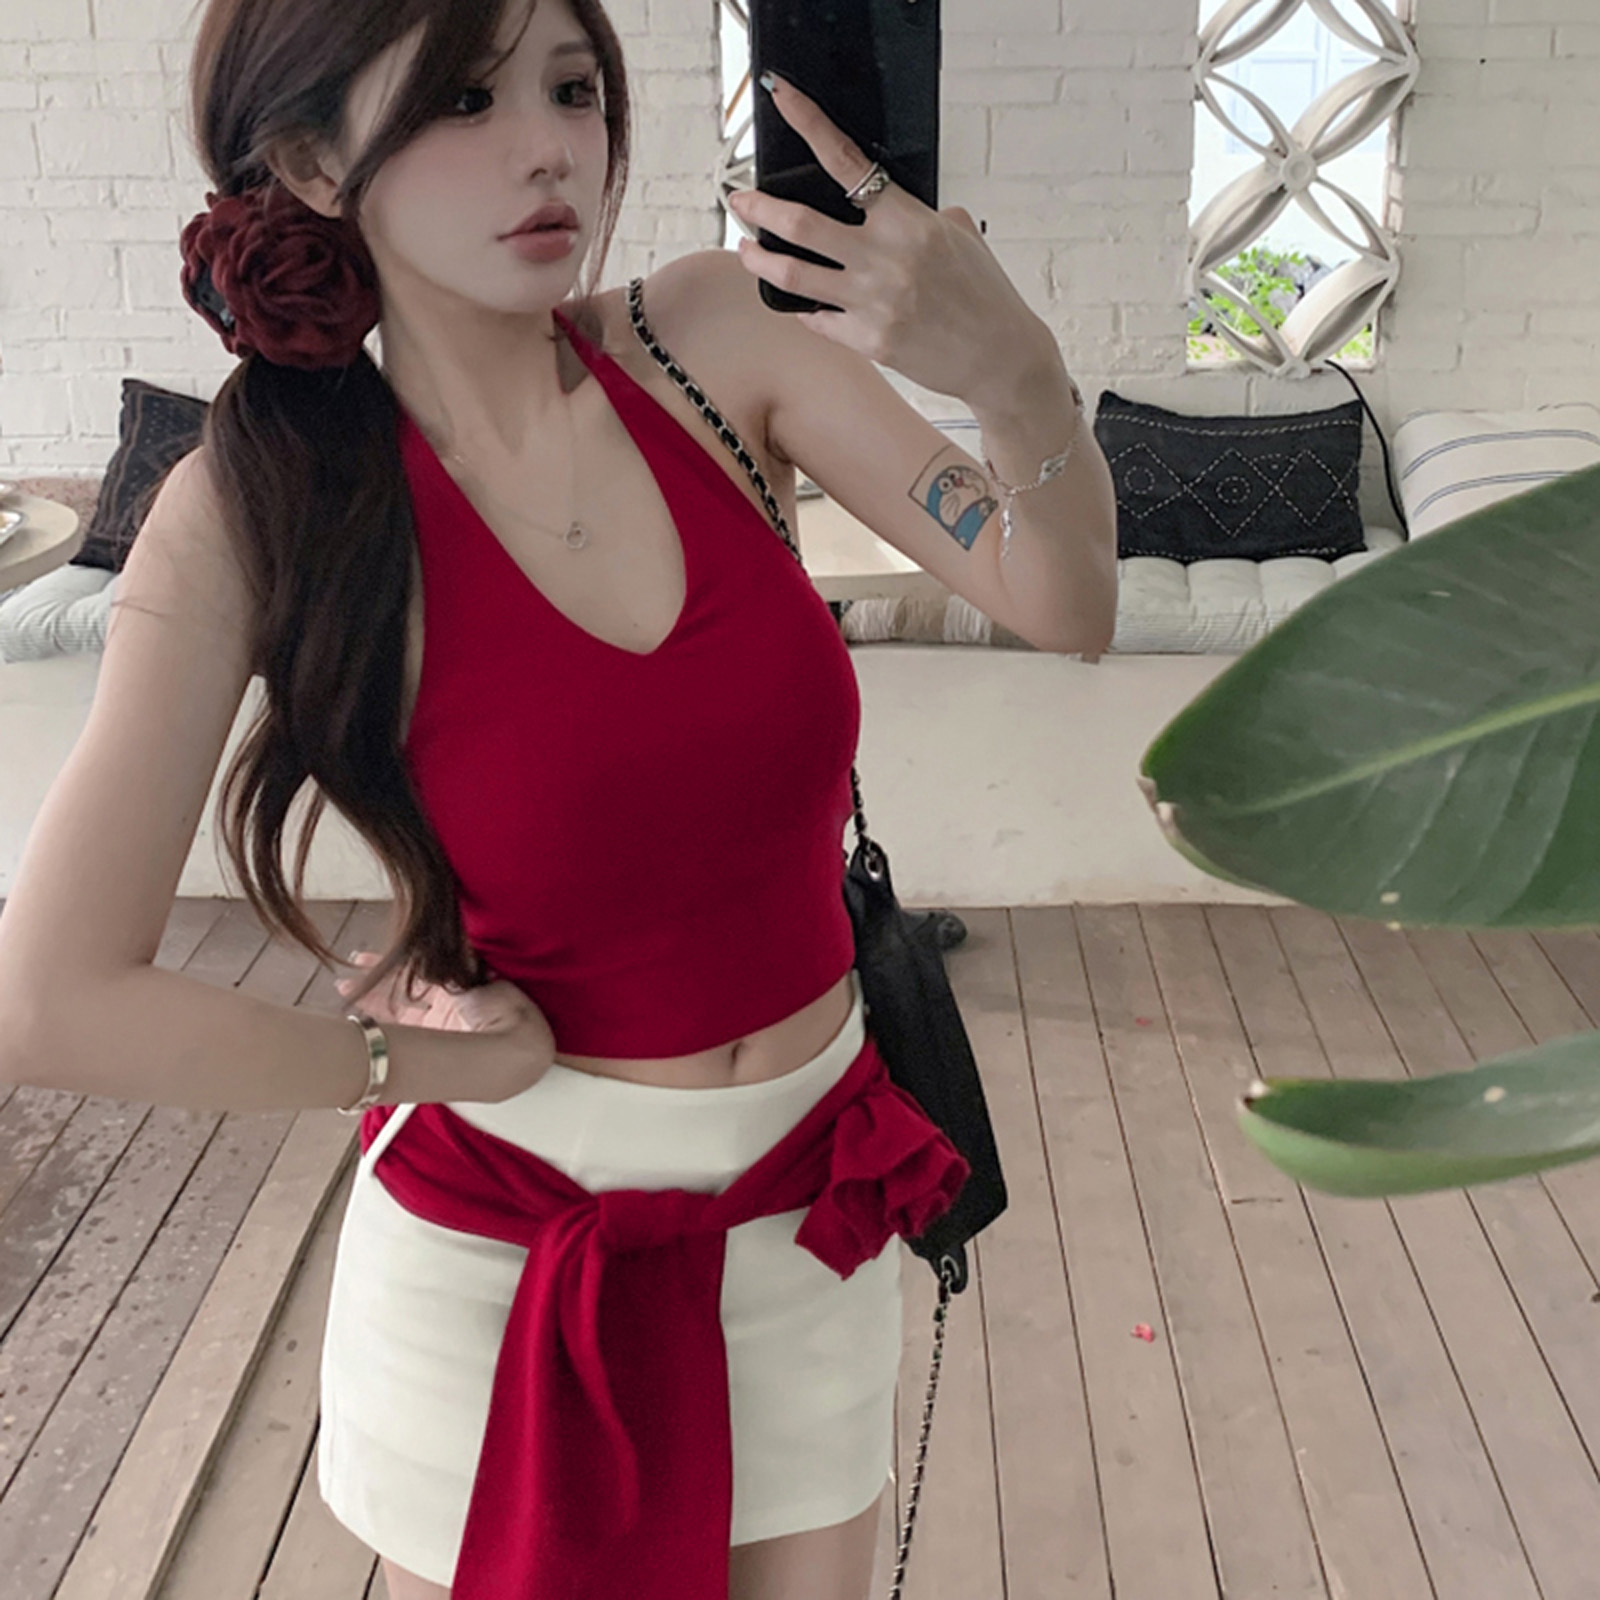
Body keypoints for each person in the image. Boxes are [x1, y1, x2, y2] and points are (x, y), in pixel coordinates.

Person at [0, 1, 1117, 1596]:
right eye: (465, 100)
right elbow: (49, 999)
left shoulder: (713, 339)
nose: (549, 150)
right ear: (311, 162)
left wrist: (1019, 382)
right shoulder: (257, 505)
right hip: (507, 1261)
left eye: (575, 89)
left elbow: (1061, 603)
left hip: (808, 1218)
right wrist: (408, 1062)